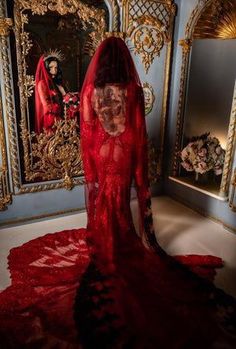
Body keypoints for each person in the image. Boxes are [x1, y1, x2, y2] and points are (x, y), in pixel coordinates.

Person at [78, 36, 236, 348]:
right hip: (123, 150)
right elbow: (136, 130)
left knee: (103, 197)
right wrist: (138, 167)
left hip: (101, 149)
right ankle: (121, 242)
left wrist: (94, 161)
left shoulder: (90, 91)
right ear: (123, 60)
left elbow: (87, 127)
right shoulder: (131, 90)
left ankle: (106, 243)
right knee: (120, 197)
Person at [34, 50, 66, 134]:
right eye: (51, 67)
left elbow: (64, 97)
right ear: (46, 67)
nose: (54, 70)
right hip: (50, 119)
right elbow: (46, 106)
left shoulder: (57, 83)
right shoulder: (42, 84)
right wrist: (60, 106)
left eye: (56, 67)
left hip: (61, 117)